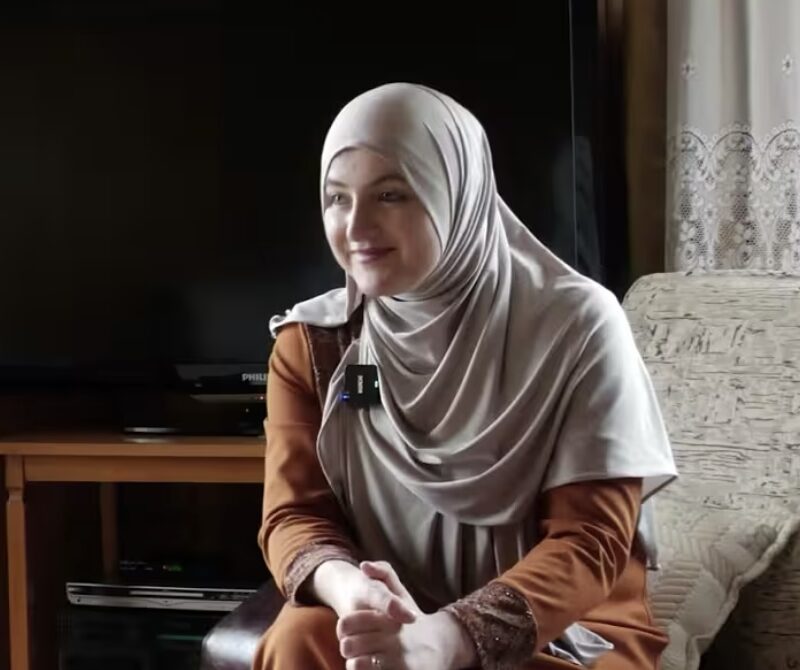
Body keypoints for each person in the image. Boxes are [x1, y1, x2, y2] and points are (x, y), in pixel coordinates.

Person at [254, 83, 677, 670]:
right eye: (337, 198)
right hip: (395, 605)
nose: (356, 226)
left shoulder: (576, 327)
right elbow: (295, 515)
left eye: (391, 194)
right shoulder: (315, 343)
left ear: (457, 193)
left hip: (558, 624)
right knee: (302, 639)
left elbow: (589, 542)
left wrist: (448, 638)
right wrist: (353, 591)